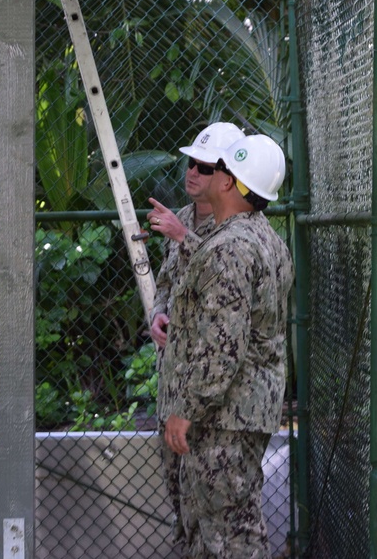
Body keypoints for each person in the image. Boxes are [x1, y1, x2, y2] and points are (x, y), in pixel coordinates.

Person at [157, 134, 293, 558]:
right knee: (223, 526)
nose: (204, 174)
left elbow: (221, 351)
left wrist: (185, 411)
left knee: (229, 536)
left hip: (225, 417)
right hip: (243, 410)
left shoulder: (230, 248)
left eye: (216, 169)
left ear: (230, 183)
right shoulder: (265, 238)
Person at [145, 121, 244, 547]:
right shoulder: (182, 217)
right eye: (190, 164)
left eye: (203, 168)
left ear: (226, 177)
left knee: (216, 508)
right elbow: (168, 283)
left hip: (213, 393)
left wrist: (184, 238)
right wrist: (157, 314)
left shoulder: (237, 227)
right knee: (177, 491)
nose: (192, 174)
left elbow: (224, 280)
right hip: (175, 378)